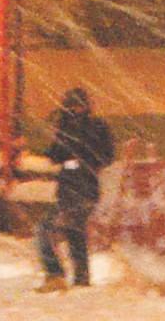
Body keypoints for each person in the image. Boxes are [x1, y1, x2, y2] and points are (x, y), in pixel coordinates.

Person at [37, 87, 114, 290]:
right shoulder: (70, 127)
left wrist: (77, 155)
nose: (75, 109)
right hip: (76, 189)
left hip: (79, 189)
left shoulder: (91, 127)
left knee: (45, 229)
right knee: (74, 232)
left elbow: (103, 156)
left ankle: (55, 275)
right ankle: (81, 279)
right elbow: (55, 154)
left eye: (77, 105)